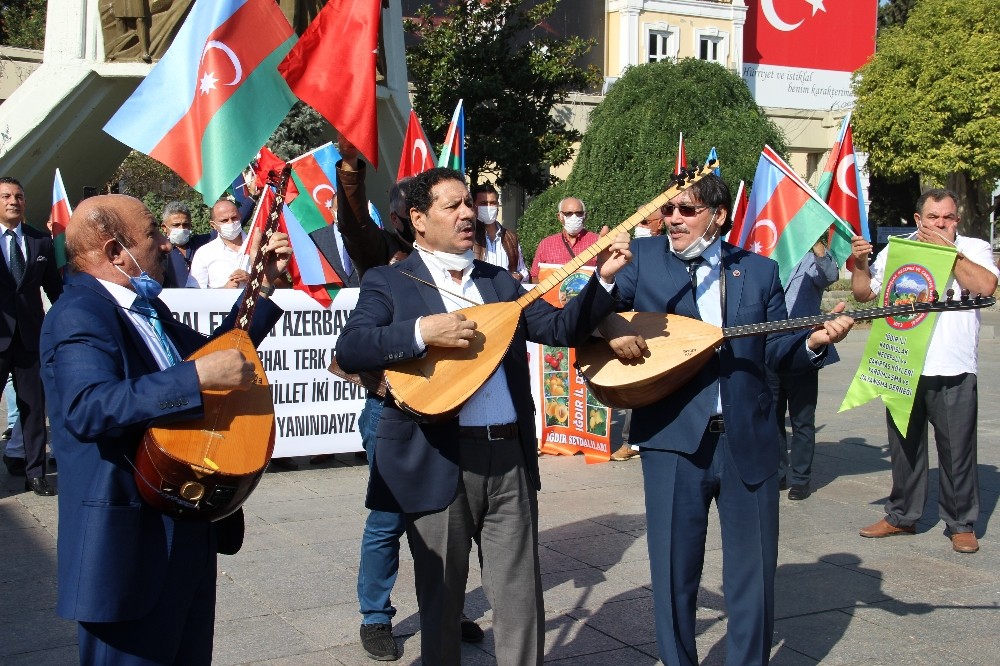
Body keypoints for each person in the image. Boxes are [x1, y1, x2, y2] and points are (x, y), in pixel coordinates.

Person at [335, 167, 631, 665]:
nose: (469, 213)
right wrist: (420, 332)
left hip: (509, 456)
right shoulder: (390, 281)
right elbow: (353, 346)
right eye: (452, 206)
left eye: (469, 203)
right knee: (442, 600)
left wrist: (601, 280)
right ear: (419, 219)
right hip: (437, 457)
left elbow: (558, 327)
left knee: (519, 597)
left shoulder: (499, 281)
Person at [598, 174, 853, 665]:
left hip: (748, 442)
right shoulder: (644, 261)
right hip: (673, 442)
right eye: (669, 210)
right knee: (674, 573)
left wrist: (814, 342)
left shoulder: (757, 271)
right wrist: (607, 300)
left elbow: (776, 348)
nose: (672, 218)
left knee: (753, 576)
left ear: (717, 216)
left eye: (686, 210)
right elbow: (593, 313)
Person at [39, 193, 290, 664]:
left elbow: (219, 354)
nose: (164, 243)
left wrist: (263, 288)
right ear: (115, 251)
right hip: (129, 551)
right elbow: (86, 407)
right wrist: (193, 379)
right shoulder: (78, 314)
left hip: (186, 528)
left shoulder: (148, 310)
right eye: (152, 232)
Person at [331, 141, 484, 660]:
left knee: (450, 512)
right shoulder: (386, 259)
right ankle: (376, 615)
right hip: (392, 408)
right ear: (409, 220)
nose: (466, 215)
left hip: (456, 405)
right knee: (390, 516)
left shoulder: (471, 258)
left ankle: (445, 604)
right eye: (449, 206)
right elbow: (351, 222)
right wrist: (351, 168)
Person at [852, 189, 999, 554]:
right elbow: (864, 295)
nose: (941, 224)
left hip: (953, 367)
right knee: (904, 448)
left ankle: (961, 523)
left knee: (957, 451)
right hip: (903, 362)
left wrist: (945, 250)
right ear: (918, 220)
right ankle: (902, 514)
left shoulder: (973, 248)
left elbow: (985, 286)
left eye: (948, 218)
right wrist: (859, 263)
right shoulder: (899, 249)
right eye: (933, 218)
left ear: (957, 220)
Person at [0, 176, 63, 495]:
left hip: (30, 339)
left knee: (34, 408)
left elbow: (54, 288)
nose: (14, 201)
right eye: (6, 196)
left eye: (19, 196)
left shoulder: (40, 241)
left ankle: (35, 471)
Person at [767, 239, 841, 500]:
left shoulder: (811, 260)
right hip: (770, 348)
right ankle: (777, 473)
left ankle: (801, 479)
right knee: (772, 417)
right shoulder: (766, 256)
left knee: (802, 419)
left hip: (804, 347)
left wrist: (816, 243)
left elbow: (831, 275)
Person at [610, 205, 667, 462]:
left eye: (645, 220)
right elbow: (615, 295)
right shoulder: (634, 253)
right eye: (638, 220)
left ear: (659, 224)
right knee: (638, 390)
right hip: (633, 332)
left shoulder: (668, 252)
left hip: (667, 336)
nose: (640, 226)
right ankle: (630, 442)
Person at [529, 196, 600, 282]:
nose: (574, 217)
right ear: (560, 217)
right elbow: (535, 276)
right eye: (568, 213)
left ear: (585, 216)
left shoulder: (598, 241)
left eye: (578, 213)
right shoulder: (546, 244)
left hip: (589, 295)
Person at [186, 198, 249, 289]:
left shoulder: (258, 246)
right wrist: (223, 290)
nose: (231, 223)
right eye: (224, 220)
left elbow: (274, 280)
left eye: (234, 218)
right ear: (213, 225)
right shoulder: (204, 253)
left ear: (240, 216)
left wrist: (251, 279)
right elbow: (195, 291)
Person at [471, 182, 528, 282]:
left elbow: (523, 271)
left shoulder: (510, 238)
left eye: (493, 203)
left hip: (506, 294)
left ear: (498, 206)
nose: (489, 207)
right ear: (473, 206)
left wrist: (519, 276)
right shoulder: (468, 236)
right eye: (483, 203)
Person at [160, 200, 210, 288]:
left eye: (185, 225)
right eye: (176, 225)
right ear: (164, 227)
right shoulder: (159, 251)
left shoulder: (199, 243)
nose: (181, 228)